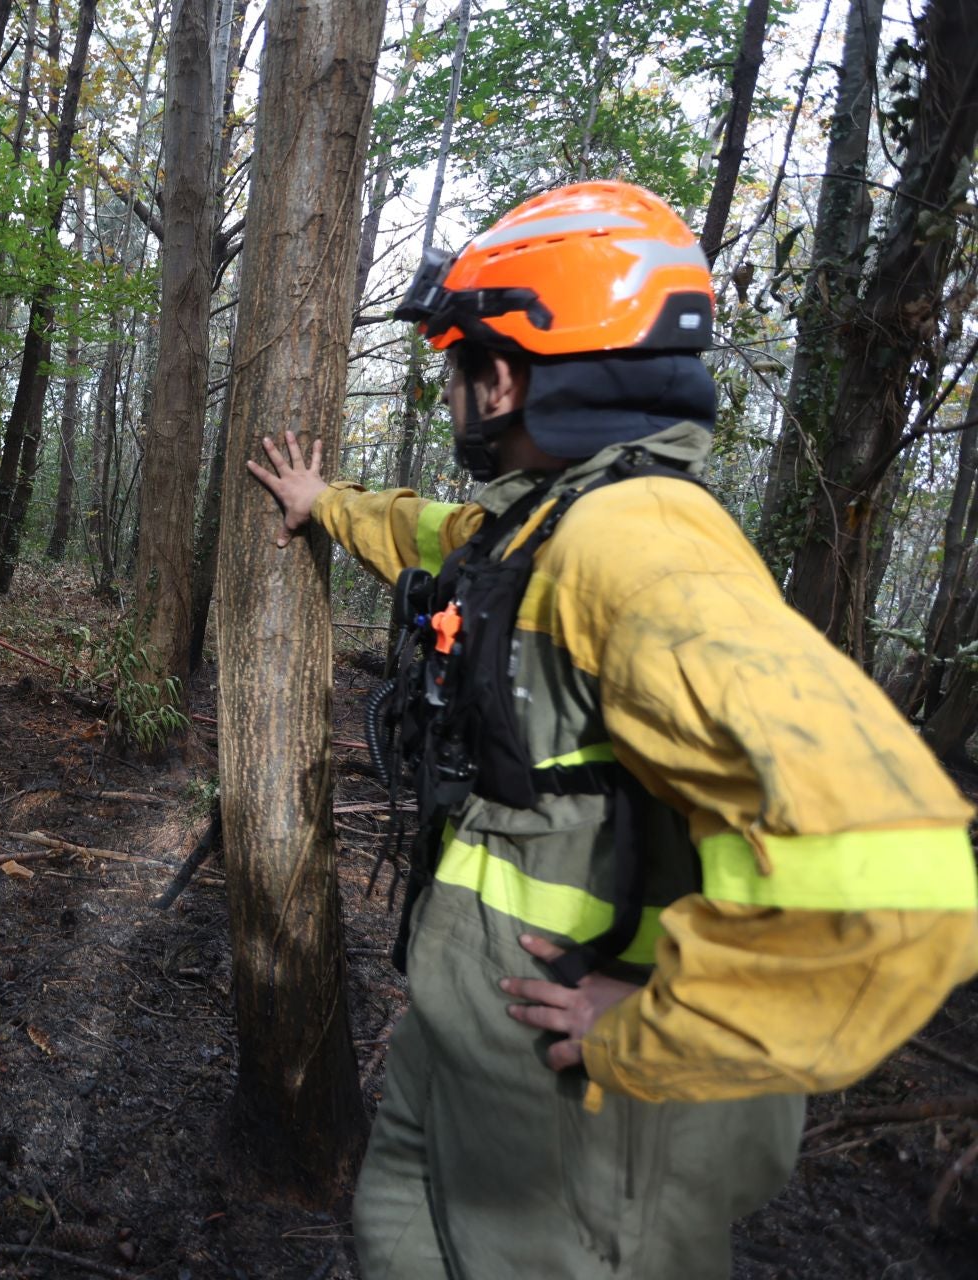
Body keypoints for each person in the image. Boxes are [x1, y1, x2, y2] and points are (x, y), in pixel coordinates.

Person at [245, 181, 978, 1278]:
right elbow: (429, 535)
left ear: (504, 376)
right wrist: (324, 500)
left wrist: (653, 1025)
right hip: (480, 1078)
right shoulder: (546, 519)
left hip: (581, 1139)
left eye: (457, 365)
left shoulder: (641, 544)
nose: (452, 392)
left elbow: (903, 871)